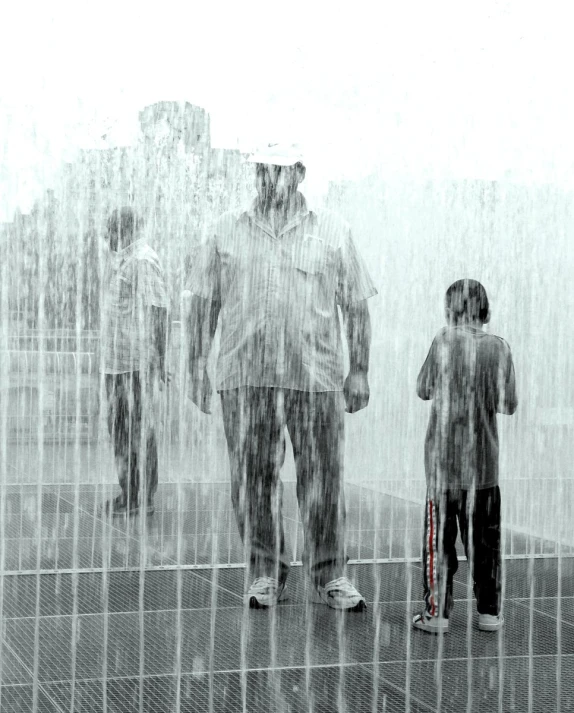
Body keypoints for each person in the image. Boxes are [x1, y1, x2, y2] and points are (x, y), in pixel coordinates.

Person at [186, 143, 377, 610]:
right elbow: (203, 303)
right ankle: (265, 572)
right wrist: (194, 363)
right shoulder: (226, 230)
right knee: (253, 480)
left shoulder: (333, 230)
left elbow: (355, 305)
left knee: (323, 479)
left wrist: (360, 370)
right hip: (246, 376)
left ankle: (330, 573)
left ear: (300, 172)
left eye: (279, 170)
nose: (269, 179)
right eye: (262, 170)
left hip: (316, 376)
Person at [413, 279, 517, 634]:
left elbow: (423, 389)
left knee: (438, 545)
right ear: (484, 312)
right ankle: (489, 612)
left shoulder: (444, 341)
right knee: (486, 546)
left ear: (452, 310)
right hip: (484, 471)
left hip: (443, 469)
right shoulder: (499, 348)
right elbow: (509, 404)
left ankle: (438, 613)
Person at [100, 207, 169, 516]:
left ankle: (141, 496)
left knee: (136, 430)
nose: (105, 238)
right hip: (117, 365)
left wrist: (157, 357)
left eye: (108, 232)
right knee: (121, 430)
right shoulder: (126, 261)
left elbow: (158, 309)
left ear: (122, 230)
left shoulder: (142, 261)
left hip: (133, 365)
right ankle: (130, 492)